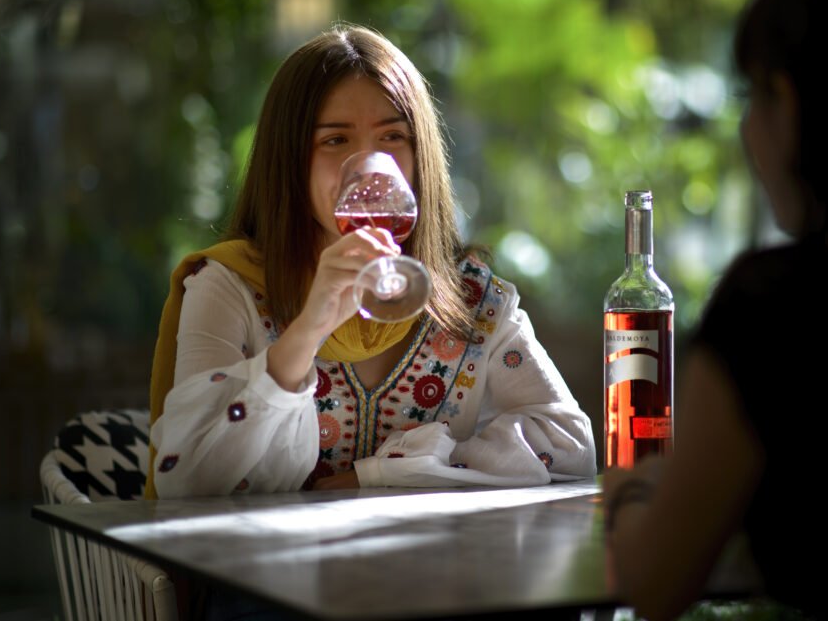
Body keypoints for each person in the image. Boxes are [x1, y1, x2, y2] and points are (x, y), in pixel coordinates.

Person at [604, 0, 828, 619]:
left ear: (790, 102)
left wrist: (628, 489)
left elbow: (654, 582)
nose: (747, 129)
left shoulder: (777, 311)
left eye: (753, 95)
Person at [145, 24, 596, 500]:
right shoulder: (228, 286)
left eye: (392, 137)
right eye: (335, 141)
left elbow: (570, 446)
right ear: (289, 161)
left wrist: (383, 474)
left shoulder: (472, 302)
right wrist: (302, 338)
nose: (369, 165)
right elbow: (188, 482)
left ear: (420, 156)